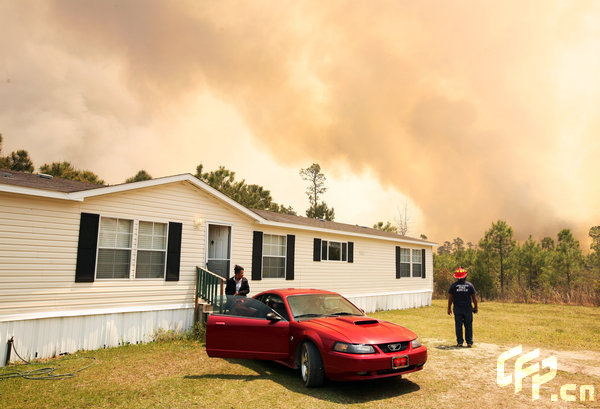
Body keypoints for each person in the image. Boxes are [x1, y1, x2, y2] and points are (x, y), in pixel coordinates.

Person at [447, 267, 478, 347]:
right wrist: (476, 307)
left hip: (457, 309)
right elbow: (474, 298)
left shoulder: (453, 286)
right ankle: (469, 342)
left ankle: (460, 342)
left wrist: (449, 308)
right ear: (465, 276)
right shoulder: (470, 285)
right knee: (468, 325)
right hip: (467, 309)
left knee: (458, 326)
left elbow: (450, 298)